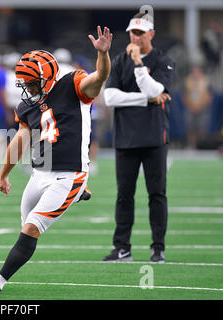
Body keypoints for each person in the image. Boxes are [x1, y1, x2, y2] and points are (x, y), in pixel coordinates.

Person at [0, 26, 113, 295]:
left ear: (47, 77)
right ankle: (77, 194)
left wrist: (102, 54)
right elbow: (20, 141)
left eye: (30, 83)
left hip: (69, 173)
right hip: (39, 174)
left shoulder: (73, 84)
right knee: (25, 225)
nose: (27, 89)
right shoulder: (27, 105)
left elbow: (99, 78)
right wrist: (4, 173)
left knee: (31, 229)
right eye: (24, 84)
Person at [102, 11, 175, 263]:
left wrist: (139, 65)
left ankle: (158, 248)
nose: (135, 37)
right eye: (132, 32)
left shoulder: (163, 60)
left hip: (154, 138)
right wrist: (146, 100)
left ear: (151, 34)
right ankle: (122, 248)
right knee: (124, 195)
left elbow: (156, 88)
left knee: (157, 194)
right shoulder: (120, 60)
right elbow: (110, 97)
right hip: (125, 139)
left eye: (140, 33)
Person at [182, 65, 212, 148]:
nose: (196, 73)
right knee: (190, 128)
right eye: (194, 72)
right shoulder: (188, 81)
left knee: (202, 127)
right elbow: (184, 96)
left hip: (202, 108)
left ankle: (202, 145)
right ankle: (191, 145)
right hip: (190, 108)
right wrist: (190, 106)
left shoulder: (206, 81)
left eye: (197, 72)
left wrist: (203, 105)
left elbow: (209, 96)